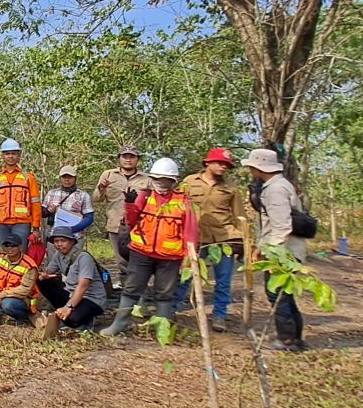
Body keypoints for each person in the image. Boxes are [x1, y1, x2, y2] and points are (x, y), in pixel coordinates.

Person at [101, 158, 199, 336]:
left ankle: (162, 329)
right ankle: (120, 324)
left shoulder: (183, 201)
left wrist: (188, 258)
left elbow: (190, 232)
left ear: (173, 181)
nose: (160, 183)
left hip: (170, 256)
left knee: (164, 293)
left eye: (165, 179)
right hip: (141, 252)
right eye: (157, 179)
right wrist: (130, 205)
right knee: (131, 288)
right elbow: (130, 222)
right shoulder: (144, 196)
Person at [242, 148, 309, 352]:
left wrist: (271, 253)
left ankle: (288, 340)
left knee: (277, 294)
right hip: (285, 250)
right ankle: (293, 337)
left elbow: (281, 226)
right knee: (284, 295)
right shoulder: (278, 185)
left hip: (283, 252)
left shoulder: (275, 189)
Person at [173, 148, 247, 332]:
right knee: (185, 276)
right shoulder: (189, 182)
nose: (223, 167)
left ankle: (219, 315)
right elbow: (177, 207)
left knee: (223, 280)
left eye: (227, 165)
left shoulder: (231, 188)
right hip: (194, 238)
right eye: (220, 163)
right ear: (208, 163)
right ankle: (171, 310)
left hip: (223, 239)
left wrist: (244, 242)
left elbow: (240, 216)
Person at [95, 145, 150, 283]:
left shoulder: (147, 179)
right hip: (116, 225)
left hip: (140, 227)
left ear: (138, 159)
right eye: (125, 156)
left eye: (132, 157)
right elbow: (96, 199)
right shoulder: (108, 175)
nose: (128, 160)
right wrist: (102, 188)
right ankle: (127, 292)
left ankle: (139, 292)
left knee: (140, 260)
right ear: (119, 158)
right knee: (122, 262)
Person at [38, 226, 106, 337]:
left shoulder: (83, 257)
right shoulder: (58, 255)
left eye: (63, 241)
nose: (59, 244)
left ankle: (84, 319)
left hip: (91, 298)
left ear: (71, 242)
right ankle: (63, 310)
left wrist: (68, 307)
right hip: (71, 293)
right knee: (43, 282)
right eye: (56, 241)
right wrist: (42, 275)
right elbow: (49, 270)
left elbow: (83, 285)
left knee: (71, 320)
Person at [0, 138, 41, 251]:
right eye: (7, 153)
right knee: (4, 255)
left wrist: (36, 228)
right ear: (2, 156)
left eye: (13, 153)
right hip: (2, 223)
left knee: (20, 253)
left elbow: (35, 203)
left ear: (19, 155)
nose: (10, 156)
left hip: (22, 223)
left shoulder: (28, 177)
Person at [41, 166, 95, 240]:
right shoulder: (51, 193)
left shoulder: (83, 195)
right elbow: (42, 213)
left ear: (75, 178)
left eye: (70, 177)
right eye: (64, 177)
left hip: (75, 237)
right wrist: (49, 210)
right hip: (54, 236)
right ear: (60, 178)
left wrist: (73, 229)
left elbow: (89, 218)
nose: (67, 179)